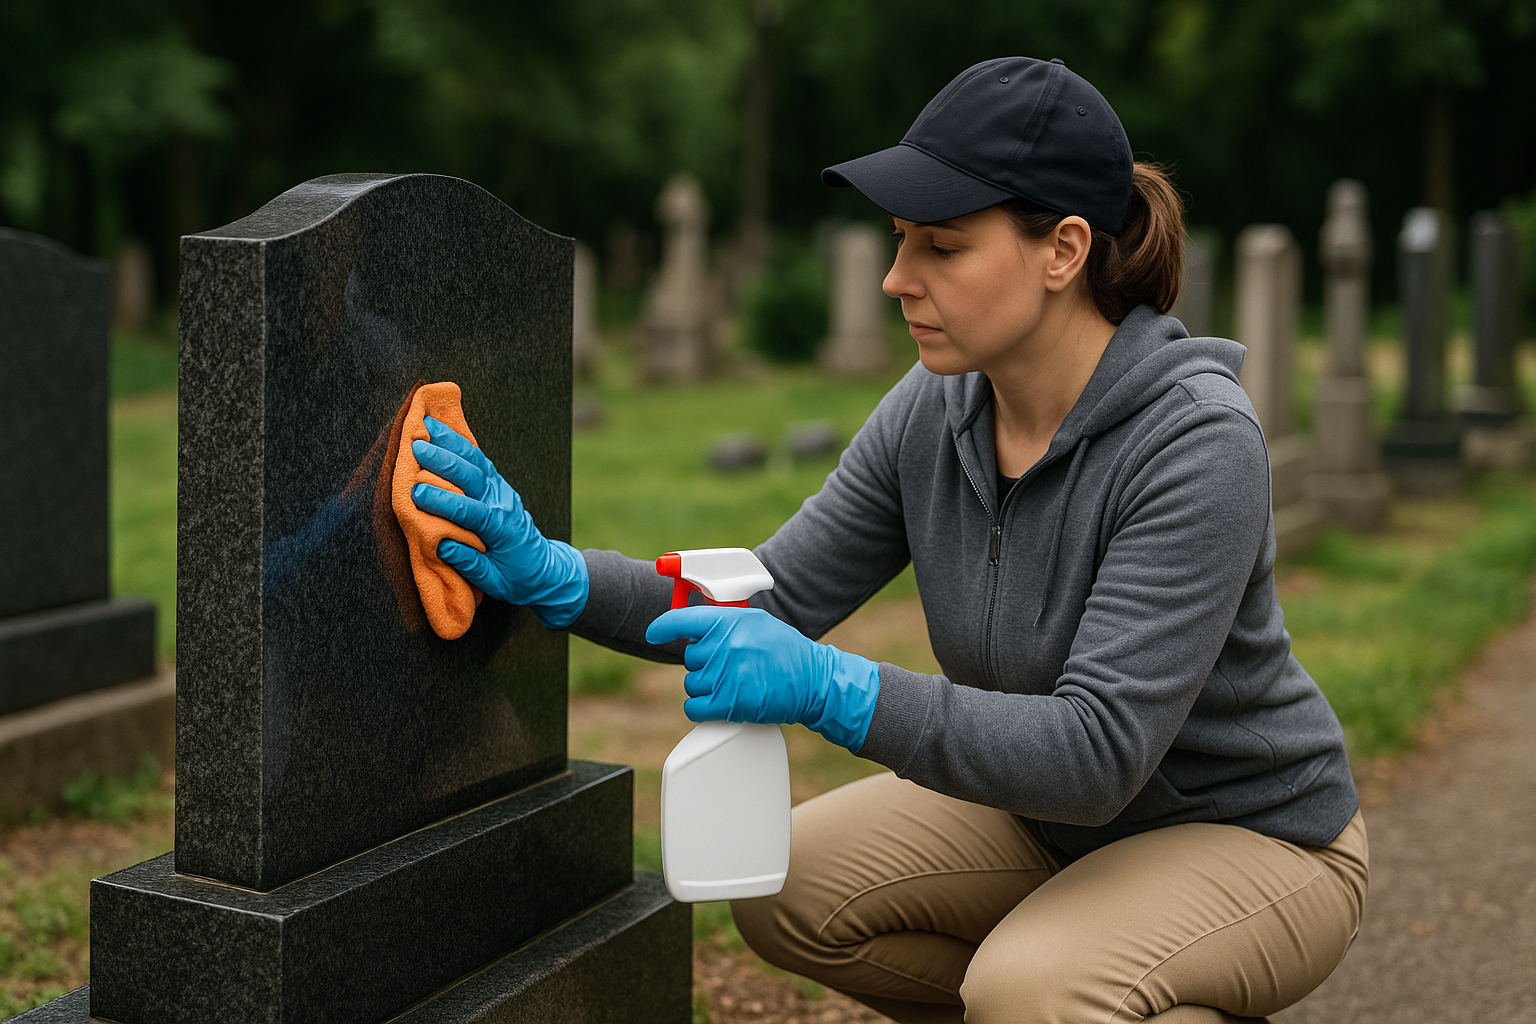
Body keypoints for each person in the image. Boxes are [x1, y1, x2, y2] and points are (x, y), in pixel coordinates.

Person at [410, 55, 1367, 1024]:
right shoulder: (937, 407)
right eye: (901, 240)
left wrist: (838, 689)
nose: (894, 277)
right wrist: (556, 574)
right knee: (788, 886)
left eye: (941, 247)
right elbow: (770, 592)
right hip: (1050, 823)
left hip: (1250, 835)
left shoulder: (1195, 440)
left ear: (1064, 249)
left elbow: (1096, 751)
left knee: (1030, 986)